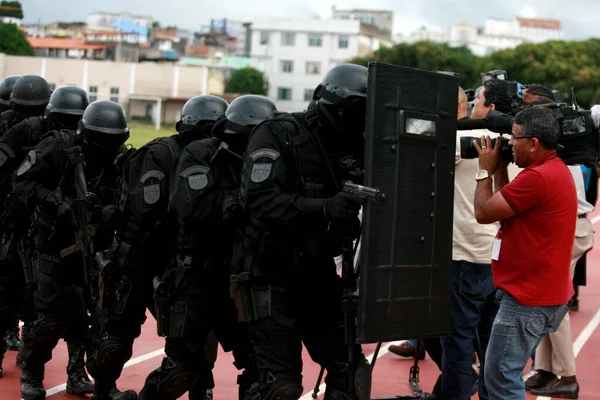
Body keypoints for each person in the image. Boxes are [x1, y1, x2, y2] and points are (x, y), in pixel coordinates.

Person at [232, 63, 371, 400]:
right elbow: (261, 201)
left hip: (318, 271)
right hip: (269, 271)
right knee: (281, 386)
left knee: (351, 370)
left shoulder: (356, 142)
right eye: (348, 112)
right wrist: (324, 207)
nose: (352, 120)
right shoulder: (278, 133)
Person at [89, 95, 229, 400]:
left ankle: (200, 389)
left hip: (181, 260)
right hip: (139, 256)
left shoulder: (218, 158)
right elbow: (148, 210)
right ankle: (103, 389)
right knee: (115, 338)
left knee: (195, 336)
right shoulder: (159, 153)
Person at [138, 95, 277, 400]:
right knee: (181, 369)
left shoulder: (267, 160)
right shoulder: (200, 154)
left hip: (241, 277)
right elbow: (196, 207)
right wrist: (241, 202)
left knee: (264, 370)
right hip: (195, 275)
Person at [13, 100, 131, 400]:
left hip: (96, 249)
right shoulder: (59, 146)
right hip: (53, 245)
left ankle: (84, 376)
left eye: (114, 141)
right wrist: (55, 202)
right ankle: (32, 373)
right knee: (49, 319)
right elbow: (23, 181)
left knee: (96, 319)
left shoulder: (119, 160)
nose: (108, 147)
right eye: (102, 141)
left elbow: (128, 198)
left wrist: (112, 212)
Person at [473, 106, 577, 400]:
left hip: (527, 300)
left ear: (533, 143)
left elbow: (483, 211)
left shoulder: (538, 178)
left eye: (514, 139)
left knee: (502, 379)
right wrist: (502, 167)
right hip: (538, 293)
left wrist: (484, 168)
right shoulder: (551, 169)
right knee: (498, 376)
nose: (508, 144)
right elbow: (506, 207)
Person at [0, 85, 93, 394]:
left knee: (82, 312)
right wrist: (51, 199)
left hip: (68, 235)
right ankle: (23, 365)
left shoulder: (89, 145)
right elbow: (15, 179)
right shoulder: (28, 133)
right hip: (22, 223)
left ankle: (76, 372)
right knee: (14, 294)